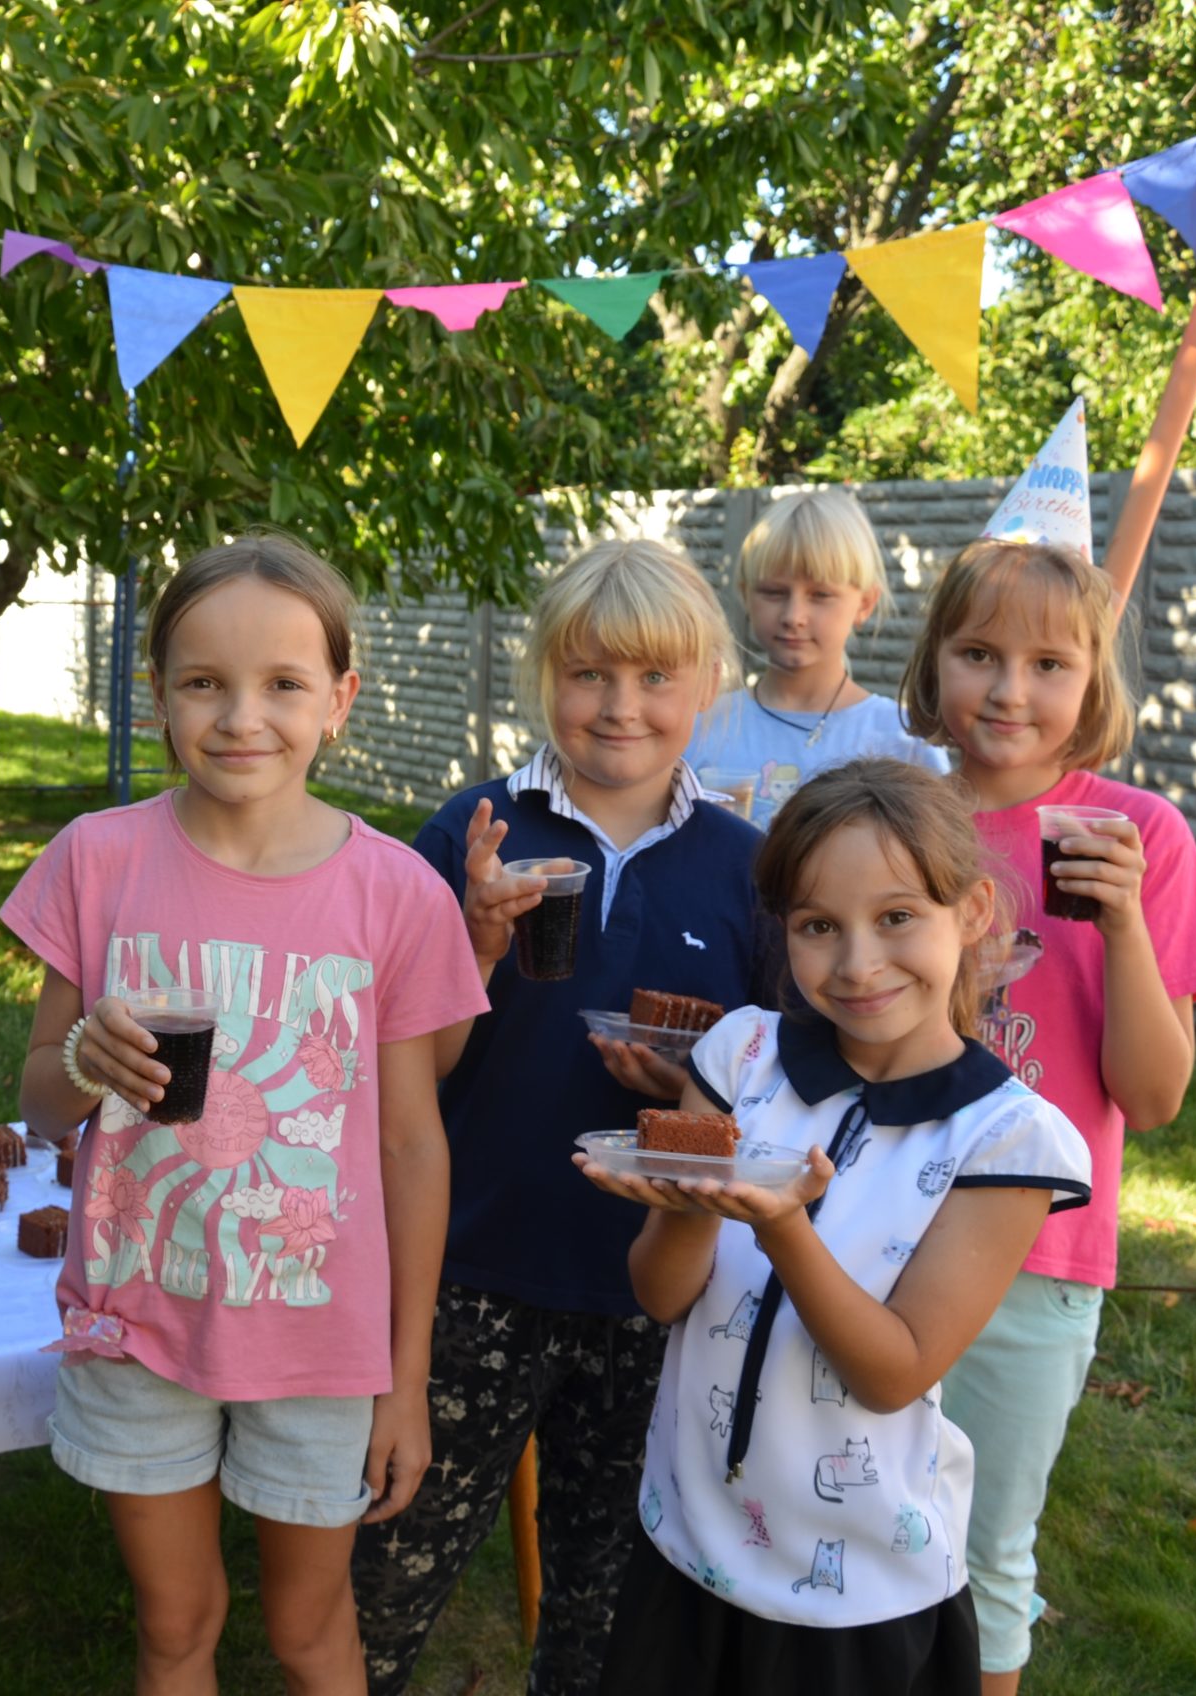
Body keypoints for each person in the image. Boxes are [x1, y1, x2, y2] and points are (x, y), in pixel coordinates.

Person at [5, 532, 486, 1695]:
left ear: (339, 700)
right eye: (203, 683)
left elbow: (411, 1143)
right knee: (176, 1623)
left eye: (281, 684)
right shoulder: (94, 862)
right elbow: (38, 1105)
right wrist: (83, 1060)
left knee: (310, 1632)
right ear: (158, 694)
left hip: (319, 1343)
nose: (240, 717)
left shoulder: (397, 894)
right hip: (137, 1318)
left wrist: (404, 1373)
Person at [352, 537, 772, 1696]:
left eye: (654, 677)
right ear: (547, 676)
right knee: (384, 1576)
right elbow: (400, 1066)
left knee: (606, 1612)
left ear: (707, 685)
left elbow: (776, 1081)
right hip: (469, 1269)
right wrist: (474, 942)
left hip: (654, 1292)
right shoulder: (474, 830)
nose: (620, 706)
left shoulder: (747, 868)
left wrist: (693, 1089)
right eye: (590, 674)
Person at [580, 759, 1093, 1695]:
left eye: (897, 917)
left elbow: (893, 1372)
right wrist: (689, 1203)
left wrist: (786, 1230)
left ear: (974, 912)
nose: (858, 965)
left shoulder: (1005, 1139)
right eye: (819, 926)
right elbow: (659, 1296)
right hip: (685, 1546)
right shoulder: (741, 1055)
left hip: (858, 1600)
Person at [897, 537, 1196, 1694]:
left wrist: (1124, 924)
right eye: (978, 653)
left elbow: (1155, 1095)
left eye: (1048, 663)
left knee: (984, 1550)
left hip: (1037, 1257)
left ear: (1093, 682)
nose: (1008, 690)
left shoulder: (1136, 837)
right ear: (932, 662)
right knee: (853, 1522)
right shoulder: (898, 817)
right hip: (878, 1230)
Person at [687, 487, 945, 828]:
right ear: (745, 594)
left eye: (820, 595)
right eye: (774, 592)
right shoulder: (700, 726)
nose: (794, 616)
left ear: (865, 604)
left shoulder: (904, 741)